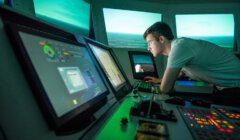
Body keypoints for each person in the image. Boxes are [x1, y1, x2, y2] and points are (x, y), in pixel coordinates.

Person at [143, 21, 240, 96]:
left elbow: (165, 89)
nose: (148, 48)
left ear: (161, 39)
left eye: (150, 42)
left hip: (235, 86)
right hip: (225, 86)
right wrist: (159, 80)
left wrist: (147, 91)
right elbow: (180, 72)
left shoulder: (179, 48)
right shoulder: (178, 47)